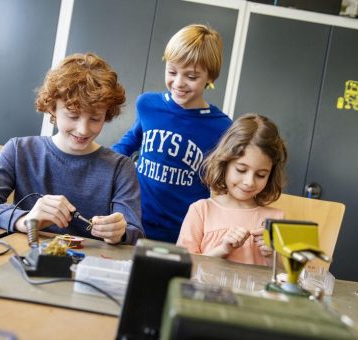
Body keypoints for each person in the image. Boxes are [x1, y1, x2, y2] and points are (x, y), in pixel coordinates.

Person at [0, 52, 144, 245]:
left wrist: (120, 232)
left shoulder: (121, 168)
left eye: (95, 118)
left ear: (106, 114)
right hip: (24, 258)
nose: (83, 129)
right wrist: (26, 220)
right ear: (52, 109)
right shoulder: (19, 151)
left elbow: (135, 234)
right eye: (73, 115)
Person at [112, 24, 232, 243]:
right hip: (135, 221)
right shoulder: (148, 104)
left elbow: (223, 182)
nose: (178, 83)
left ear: (210, 77)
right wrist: (97, 163)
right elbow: (128, 144)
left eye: (191, 76)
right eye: (172, 72)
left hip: (183, 232)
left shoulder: (222, 127)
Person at [177, 113, 287, 265]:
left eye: (261, 175)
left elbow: (282, 280)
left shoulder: (276, 219)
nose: (249, 182)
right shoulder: (201, 210)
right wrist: (222, 249)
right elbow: (184, 266)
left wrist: (271, 255)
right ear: (224, 164)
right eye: (241, 170)